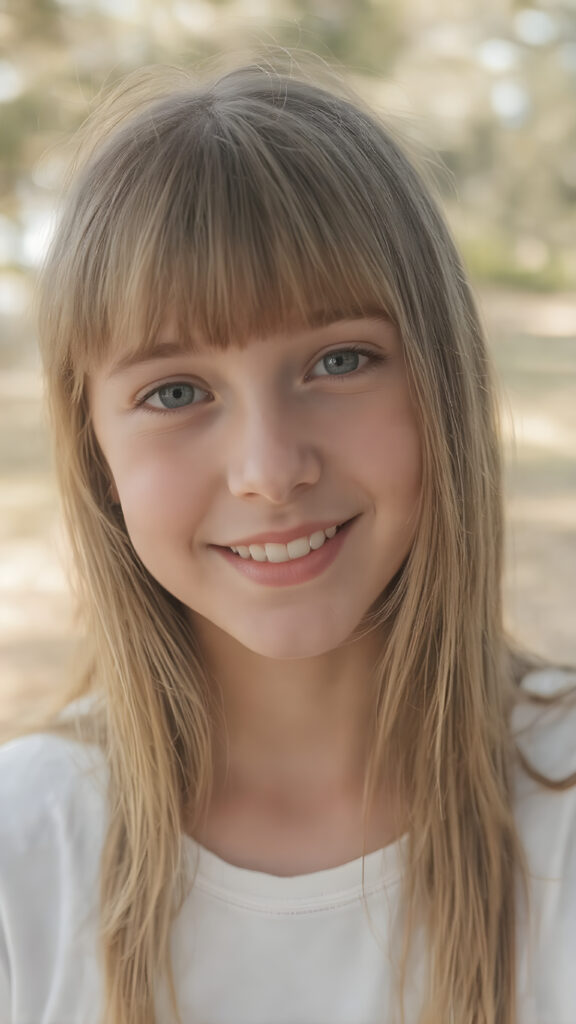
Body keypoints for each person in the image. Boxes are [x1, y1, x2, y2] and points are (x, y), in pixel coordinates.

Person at [0, 54, 574, 1024]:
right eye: (175, 392)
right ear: (95, 449)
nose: (269, 468)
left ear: (443, 382)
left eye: (338, 359)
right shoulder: (26, 851)